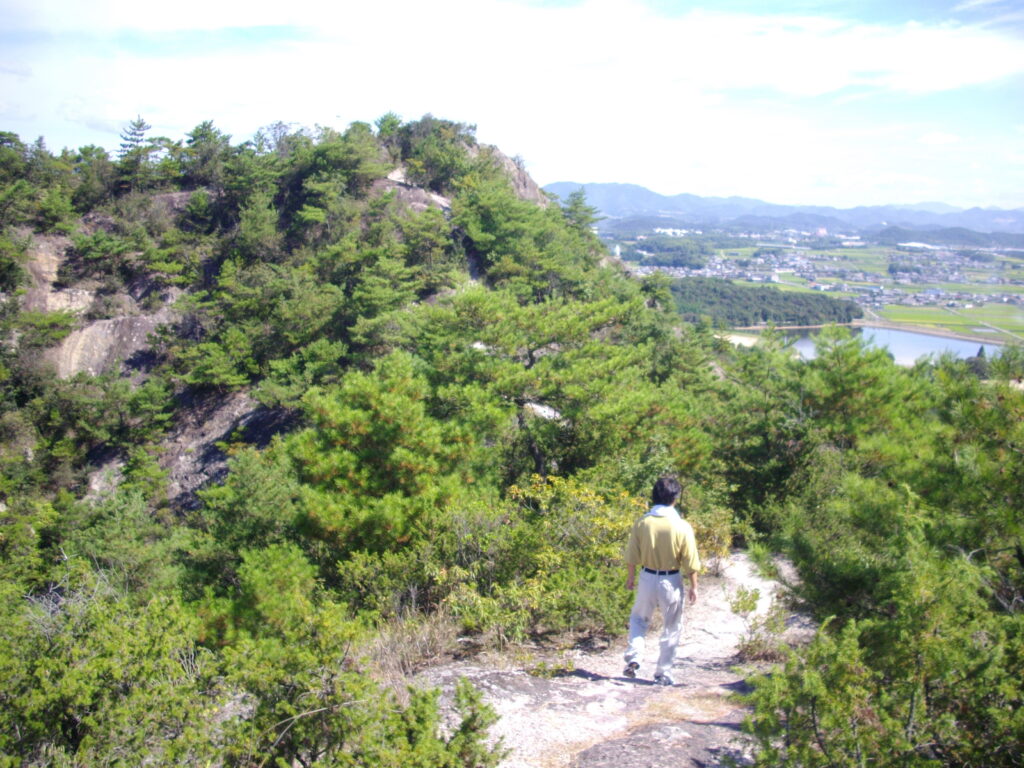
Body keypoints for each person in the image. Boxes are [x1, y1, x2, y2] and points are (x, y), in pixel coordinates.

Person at [622, 476, 701, 686]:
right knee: (672, 627)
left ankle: (634, 657)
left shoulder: (642, 522)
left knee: (638, 619)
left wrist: (630, 577)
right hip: (671, 579)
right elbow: (690, 560)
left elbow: (632, 555)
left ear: (654, 496)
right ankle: (663, 673)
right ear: (675, 497)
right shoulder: (682, 526)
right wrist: (694, 586)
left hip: (647, 576)